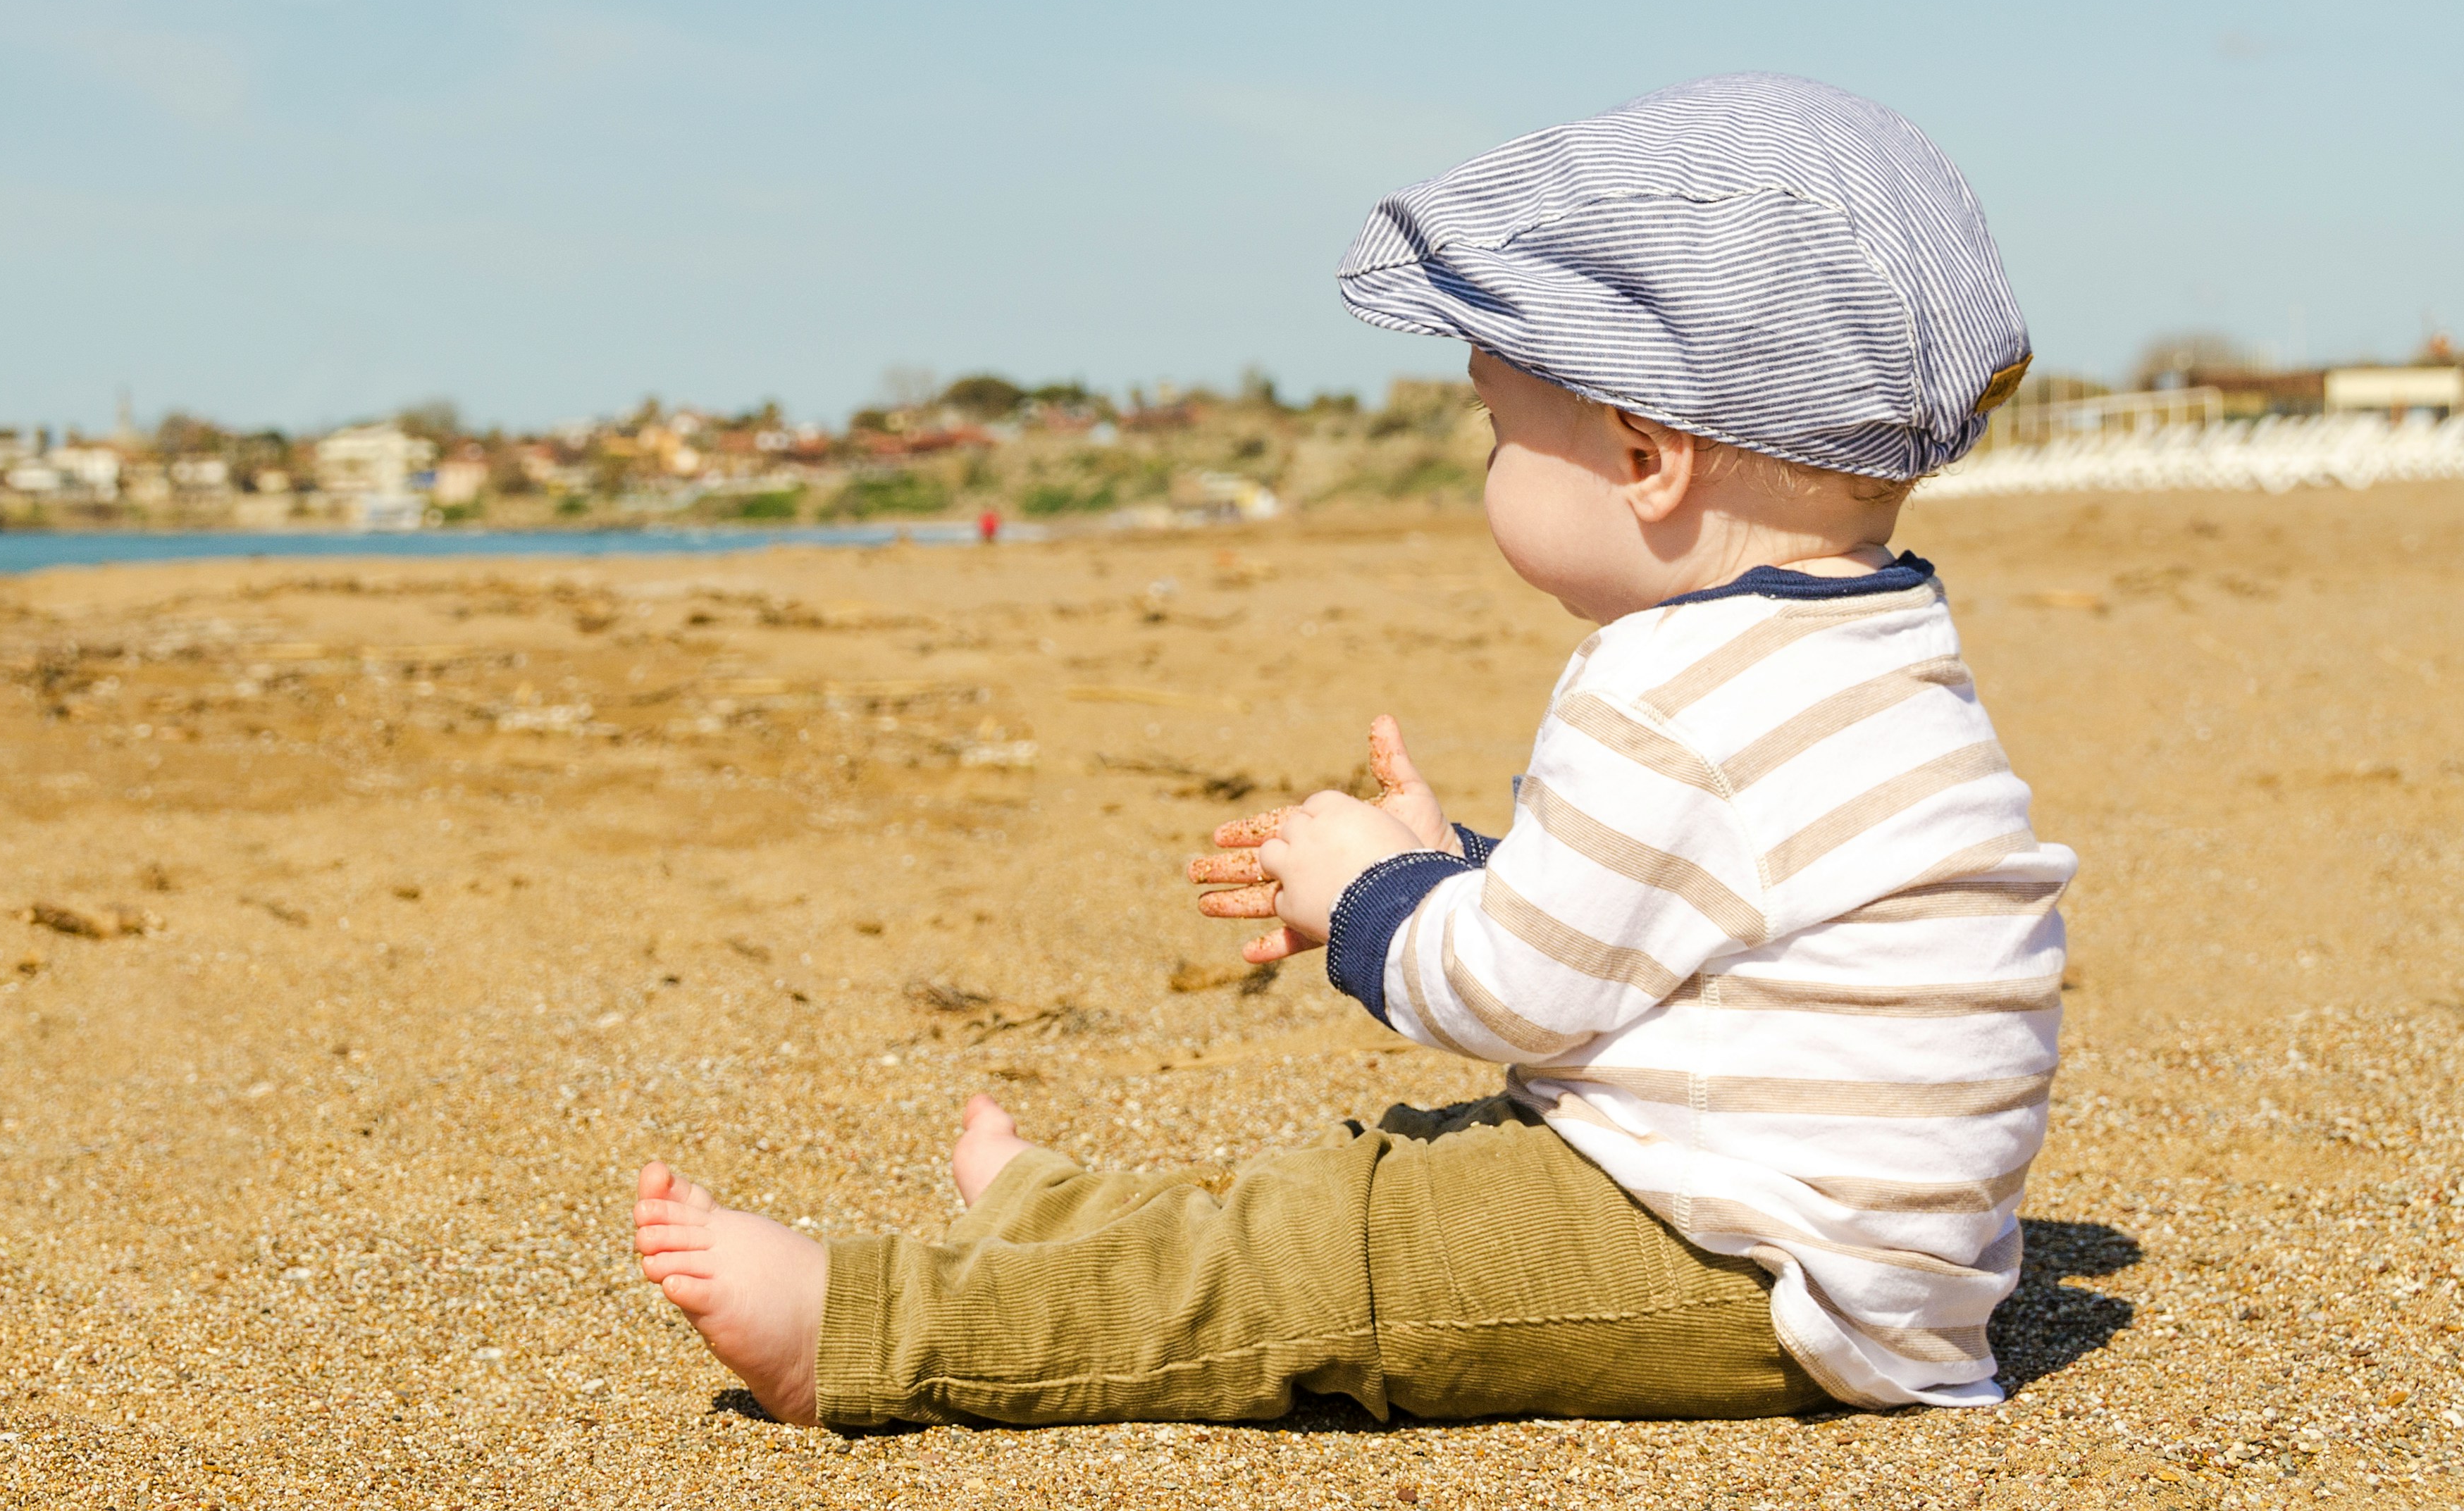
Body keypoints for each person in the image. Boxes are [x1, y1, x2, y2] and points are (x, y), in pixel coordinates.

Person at [631, 73, 2069, 1426]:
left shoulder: (1665, 684)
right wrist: (1460, 867)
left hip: (1752, 1270)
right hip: (1856, 1253)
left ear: (1646, 456)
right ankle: (1062, 1226)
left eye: (1504, 429)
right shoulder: (1877, 646)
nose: (1489, 462)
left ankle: (872, 1330)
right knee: (1374, 1177)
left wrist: (1369, 904)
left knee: (1332, 1256)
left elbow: (1517, 997)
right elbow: (1680, 924)